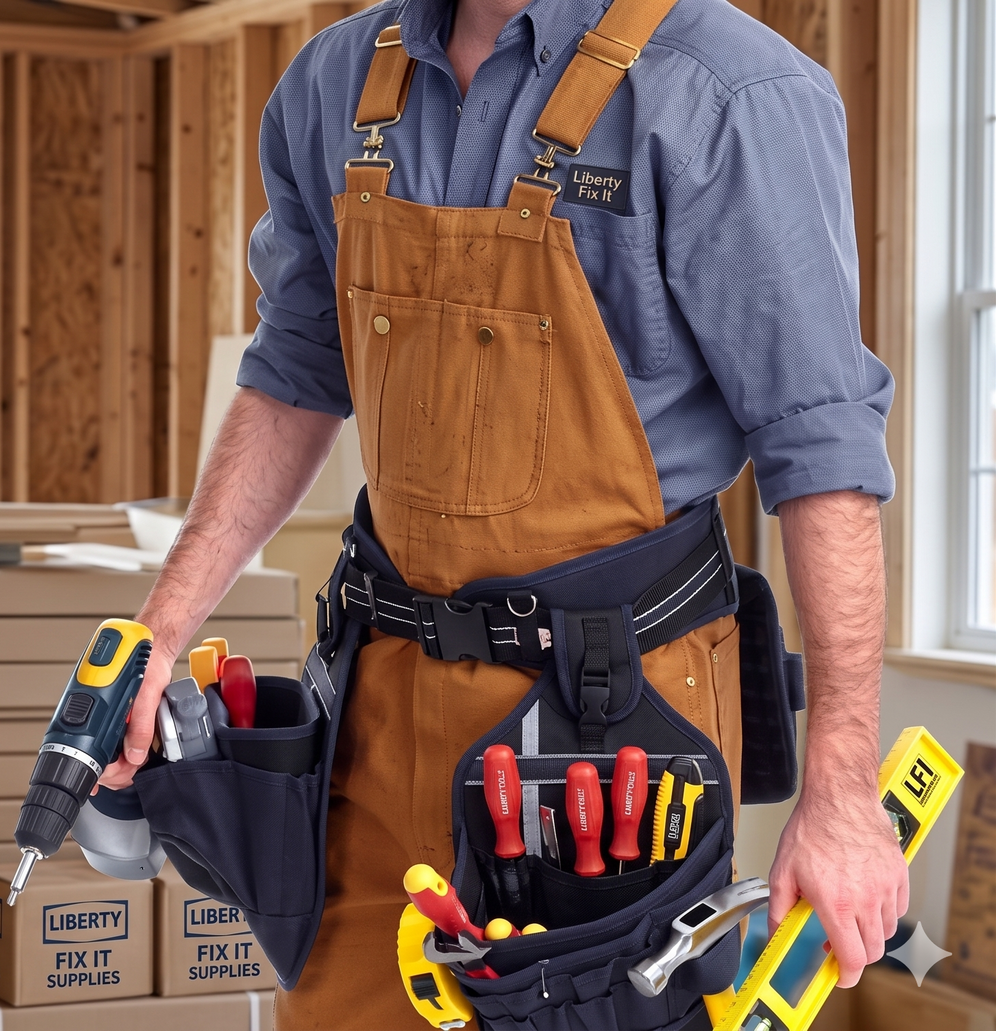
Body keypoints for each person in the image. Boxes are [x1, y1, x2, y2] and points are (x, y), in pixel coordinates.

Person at [93, 0, 907, 1024]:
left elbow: (820, 451)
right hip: (381, 707)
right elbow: (296, 372)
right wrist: (162, 632)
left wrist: (840, 790)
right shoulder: (334, 83)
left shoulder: (728, 92)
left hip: (613, 730)